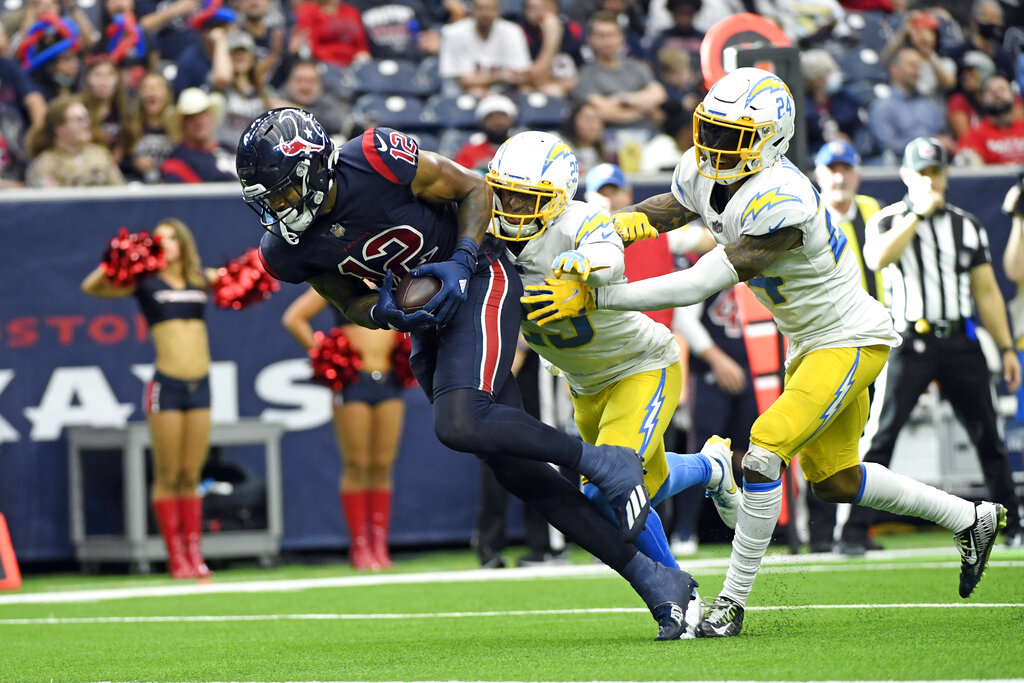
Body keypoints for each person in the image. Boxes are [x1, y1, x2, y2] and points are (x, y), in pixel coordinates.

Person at [523, 68, 1009, 637]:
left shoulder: (785, 198)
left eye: (733, 136)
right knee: (835, 481)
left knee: (763, 452)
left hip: (849, 337)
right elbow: (674, 207)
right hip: (807, 341)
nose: (714, 147)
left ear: (773, 140)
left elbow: (701, 282)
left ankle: (729, 604)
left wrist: (598, 294)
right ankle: (970, 518)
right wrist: (616, 230)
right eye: (711, 129)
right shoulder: (706, 168)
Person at [235, 107, 699, 640]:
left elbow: (475, 190)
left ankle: (600, 462)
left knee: (459, 421)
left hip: (479, 273)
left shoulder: (376, 158)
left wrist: (459, 258)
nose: (277, 208)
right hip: (429, 319)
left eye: (282, 193)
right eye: (265, 198)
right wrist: (384, 311)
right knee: (514, 469)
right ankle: (656, 580)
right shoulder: (285, 248)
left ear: (315, 169)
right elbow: (344, 298)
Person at [494, 131, 740, 573]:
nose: (510, 209)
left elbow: (610, 255)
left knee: (609, 490)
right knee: (651, 482)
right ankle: (711, 467)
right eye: (506, 195)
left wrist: (583, 269)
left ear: (558, 198)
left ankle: (679, 591)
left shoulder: (580, 221)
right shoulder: (486, 232)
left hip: (640, 366)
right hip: (585, 386)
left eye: (524, 198)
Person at [838, 136, 1024, 553]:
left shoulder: (967, 224)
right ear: (905, 175)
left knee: (988, 437)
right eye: (921, 172)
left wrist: (1006, 346)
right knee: (880, 438)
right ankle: (853, 533)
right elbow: (878, 259)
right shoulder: (887, 219)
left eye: (935, 172)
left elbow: (988, 290)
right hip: (908, 340)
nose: (929, 180)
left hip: (960, 338)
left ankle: (1009, 525)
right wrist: (917, 216)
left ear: (946, 175)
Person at [81, 217, 217, 579]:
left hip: (201, 384)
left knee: (192, 473)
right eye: (160, 239)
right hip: (166, 385)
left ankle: (195, 554)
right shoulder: (144, 282)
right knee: (168, 473)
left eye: (171, 238)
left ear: (183, 243)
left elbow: (246, 275)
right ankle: (176, 557)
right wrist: (125, 256)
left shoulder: (200, 279)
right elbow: (93, 286)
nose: (166, 243)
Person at [282, 287, 405, 569]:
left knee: (383, 464)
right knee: (356, 463)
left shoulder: (391, 276)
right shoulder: (338, 277)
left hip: (389, 379)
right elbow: (294, 318)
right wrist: (326, 355)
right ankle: (360, 545)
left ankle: (379, 545)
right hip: (352, 381)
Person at [810, 139, 885, 552]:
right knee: (817, 435)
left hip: (873, 342)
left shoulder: (875, 212)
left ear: (857, 172)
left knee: (868, 438)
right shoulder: (808, 215)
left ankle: (856, 530)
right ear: (818, 174)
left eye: (846, 167)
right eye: (831, 168)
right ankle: (820, 534)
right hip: (826, 343)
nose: (839, 176)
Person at [25, 95, 126, 187]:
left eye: (87, 118)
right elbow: (47, 203)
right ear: (59, 128)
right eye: (79, 120)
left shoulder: (101, 155)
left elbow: (120, 190)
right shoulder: (46, 163)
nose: (86, 124)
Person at [868, 46, 948, 162]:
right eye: (911, 65)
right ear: (894, 70)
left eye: (918, 66)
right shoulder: (882, 107)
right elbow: (888, 147)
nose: (916, 71)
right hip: (899, 170)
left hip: (933, 166)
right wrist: (927, 146)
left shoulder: (929, 105)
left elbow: (942, 135)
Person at [437, 0, 531, 97]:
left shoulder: (512, 31)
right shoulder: (454, 33)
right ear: (472, 10)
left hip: (502, 97)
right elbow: (465, 81)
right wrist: (500, 76)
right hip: (461, 100)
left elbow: (521, 74)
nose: (485, 14)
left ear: (499, 11)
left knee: (527, 90)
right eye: (480, 9)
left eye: (490, 9)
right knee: (476, 91)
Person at [160, 87, 236, 182]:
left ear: (211, 117)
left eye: (203, 114)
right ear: (182, 125)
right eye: (191, 117)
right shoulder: (178, 161)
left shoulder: (229, 149)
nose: (199, 121)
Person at [955, 74, 1024, 166]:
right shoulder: (974, 135)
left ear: (1013, 95)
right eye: (991, 91)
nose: (997, 94)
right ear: (983, 99)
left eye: (1002, 89)